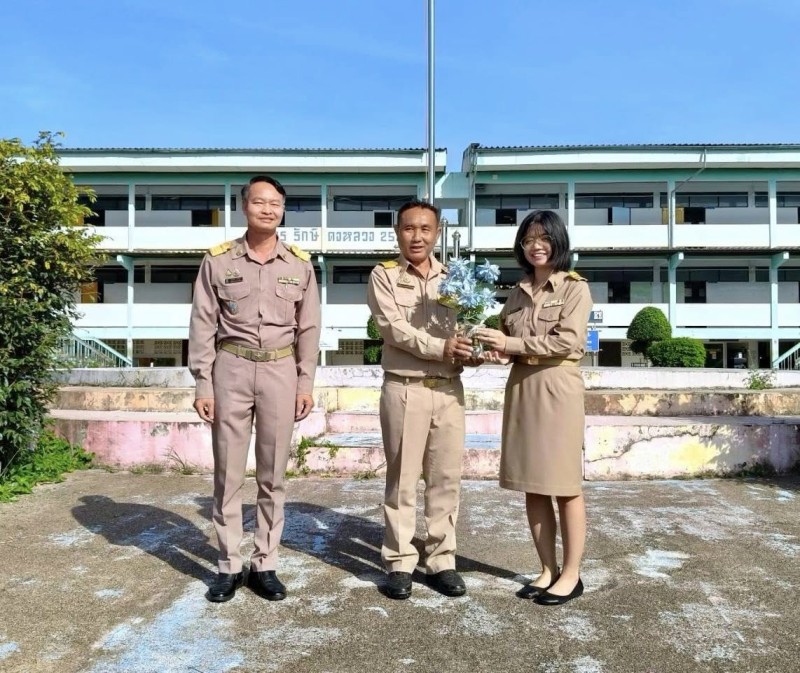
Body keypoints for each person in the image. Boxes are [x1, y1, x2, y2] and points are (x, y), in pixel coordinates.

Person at [188, 175, 321, 603]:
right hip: (231, 369)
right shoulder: (218, 261)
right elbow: (203, 324)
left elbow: (309, 328)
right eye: (259, 202)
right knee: (227, 473)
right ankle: (228, 565)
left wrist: (305, 381)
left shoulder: (299, 263)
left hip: (281, 371)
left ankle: (265, 563)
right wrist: (203, 384)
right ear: (244, 206)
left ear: (283, 210)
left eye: (276, 203)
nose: (268, 209)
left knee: (273, 474)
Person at [477, 210, 592, 606]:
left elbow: (567, 343)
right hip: (522, 386)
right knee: (533, 484)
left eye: (543, 238)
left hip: (557, 387)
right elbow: (509, 343)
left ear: (558, 241)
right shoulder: (518, 291)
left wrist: (508, 345)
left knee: (564, 486)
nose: (536, 246)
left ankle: (572, 574)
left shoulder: (575, 288)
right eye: (528, 240)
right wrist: (488, 347)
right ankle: (547, 569)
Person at [366, 199, 475, 600]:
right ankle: (399, 561)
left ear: (438, 233)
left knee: (446, 479)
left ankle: (441, 559)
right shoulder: (384, 276)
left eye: (425, 229)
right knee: (403, 480)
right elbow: (393, 329)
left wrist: (474, 349)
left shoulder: (455, 279)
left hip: (448, 390)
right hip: (405, 388)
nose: (417, 236)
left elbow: (467, 328)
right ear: (398, 232)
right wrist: (444, 347)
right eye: (409, 228)